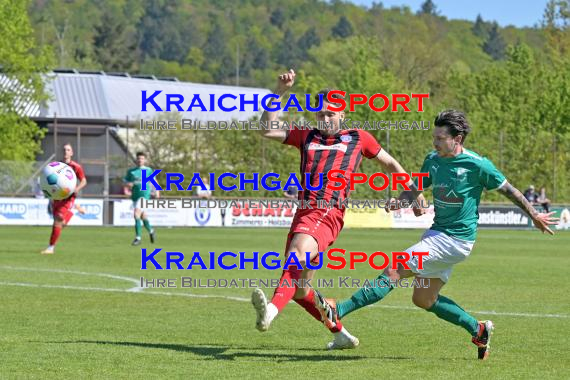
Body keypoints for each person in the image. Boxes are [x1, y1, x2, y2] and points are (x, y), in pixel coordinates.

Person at [314, 110, 559, 360]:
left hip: (457, 240)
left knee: (395, 268)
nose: (435, 142)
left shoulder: (477, 164)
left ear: (458, 139)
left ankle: (339, 310)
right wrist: (400, 202)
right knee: (424, 298)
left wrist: (534, 215)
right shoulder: (432, 160)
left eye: (441, 138)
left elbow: (510, 191)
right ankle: (478, 329)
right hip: (436, 234)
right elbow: (415, 191)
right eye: (435, 137)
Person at [250, 69, 425, 349]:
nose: (325, 119)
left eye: (331, 114)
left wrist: (412, 190)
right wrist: (278, 91)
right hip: (304, 213)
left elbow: (390, 164)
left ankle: (270, 311)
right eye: (320, 114)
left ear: (342, 115)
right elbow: (265, 129)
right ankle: (340, 334)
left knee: (295, 256)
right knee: (299, 289)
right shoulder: (305, 136)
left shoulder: (359, 138)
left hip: (328, 212)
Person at [41, 143, 87, 255]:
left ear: (72, 153)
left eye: (68, 150)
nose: (66, 151)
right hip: (57, 197)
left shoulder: (76, 167)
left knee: (58, 220)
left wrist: (76, 189)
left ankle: (50, 248)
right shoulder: (58, 165)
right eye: (64, 150)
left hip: (69, 197)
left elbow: (84, 181)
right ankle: (73, 210)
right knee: (60, 223)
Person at [123, 152, 159, 246]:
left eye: (142, 158)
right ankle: (151, 231)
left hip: (145, 195)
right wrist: (128, 186)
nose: (140, 160)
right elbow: (126, 182)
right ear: (136, 160)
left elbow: (154, 181)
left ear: (145, 160)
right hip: (135, 196)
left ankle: (138, 238)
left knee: (136, 213)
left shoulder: (148, 170)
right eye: (139, 158)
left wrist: (157, 191)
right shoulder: (131, 171)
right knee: (143, 216)